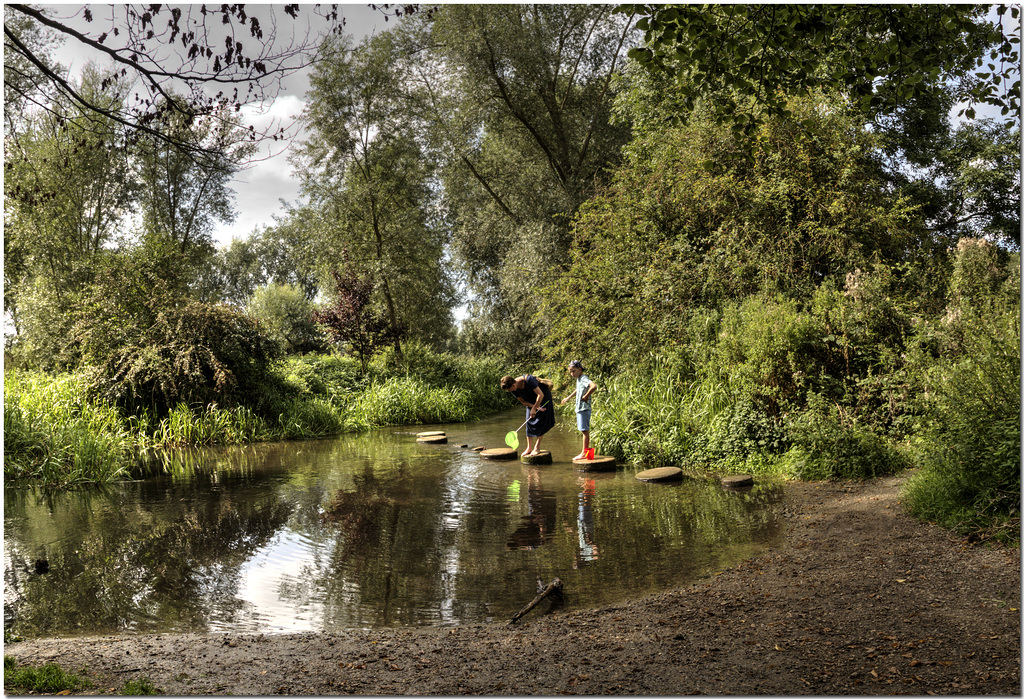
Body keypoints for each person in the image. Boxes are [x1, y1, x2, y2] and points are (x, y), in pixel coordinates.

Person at [500, 374, 555, 456]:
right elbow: (524, 402)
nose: (510, 391)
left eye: (510, 389)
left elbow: (541, 395)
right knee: (529, 421)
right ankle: (529, 448)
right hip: (530, 401)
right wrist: (534, 407)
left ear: (514, 385)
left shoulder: (529, 380)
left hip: (543, 398)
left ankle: (537, 448)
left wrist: (535, 408)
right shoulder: (513, 389)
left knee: (541, 422)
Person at [560, 360, 597, 461]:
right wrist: (568, 397)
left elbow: (594, 386)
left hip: (584, 408)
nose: (572, 374)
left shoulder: (584, 378)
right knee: (583, 430)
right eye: (570, 372)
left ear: (580, 369)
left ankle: (584, 453)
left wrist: (586, 395)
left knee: (585, 431)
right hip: (580, 408)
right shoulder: (579, 379)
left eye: (574, 371)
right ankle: (586, 453)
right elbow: (578, 389)